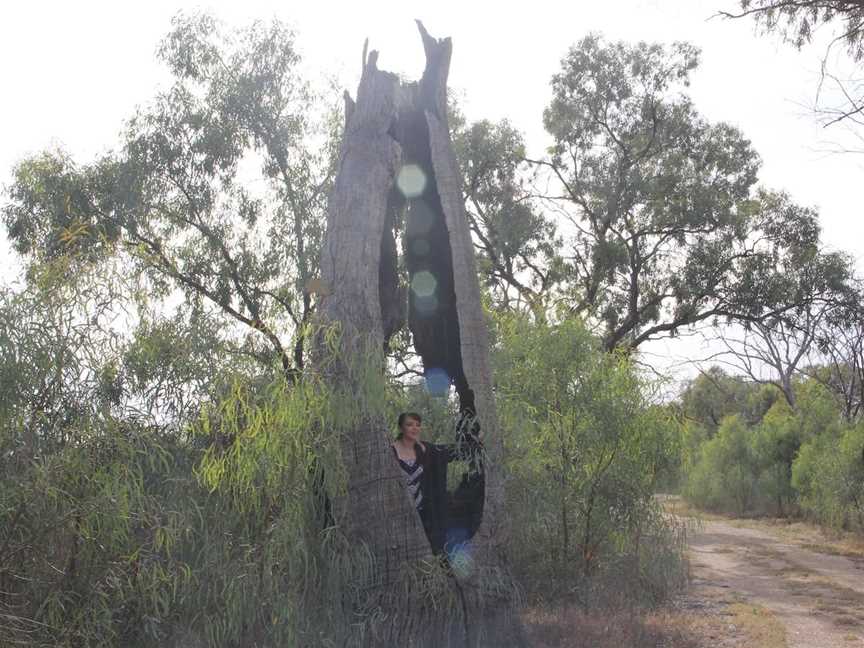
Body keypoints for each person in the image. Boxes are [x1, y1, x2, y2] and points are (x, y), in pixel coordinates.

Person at [391, 410, 483, 562]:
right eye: (409, 424)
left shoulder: (426, 450)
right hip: (398, 514)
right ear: (401, 428)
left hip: (424, 514)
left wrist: (476, 445)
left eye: (417, 425)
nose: (414, 428)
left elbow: (449, 451)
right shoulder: (389, 453)